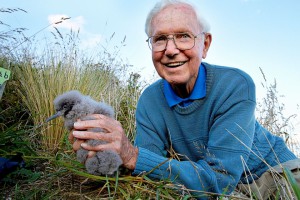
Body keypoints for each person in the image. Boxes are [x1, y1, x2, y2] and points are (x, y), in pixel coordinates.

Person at [69, 0, 300, 199]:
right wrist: (103, 149)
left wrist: (131, 154)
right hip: (225, 190)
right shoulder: (149, 100)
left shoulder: (235, 85)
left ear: (205, 45)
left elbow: (219, 181)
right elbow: (146, 167)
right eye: (160, 39)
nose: (170, 50)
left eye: (183, 36)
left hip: (277, 175)